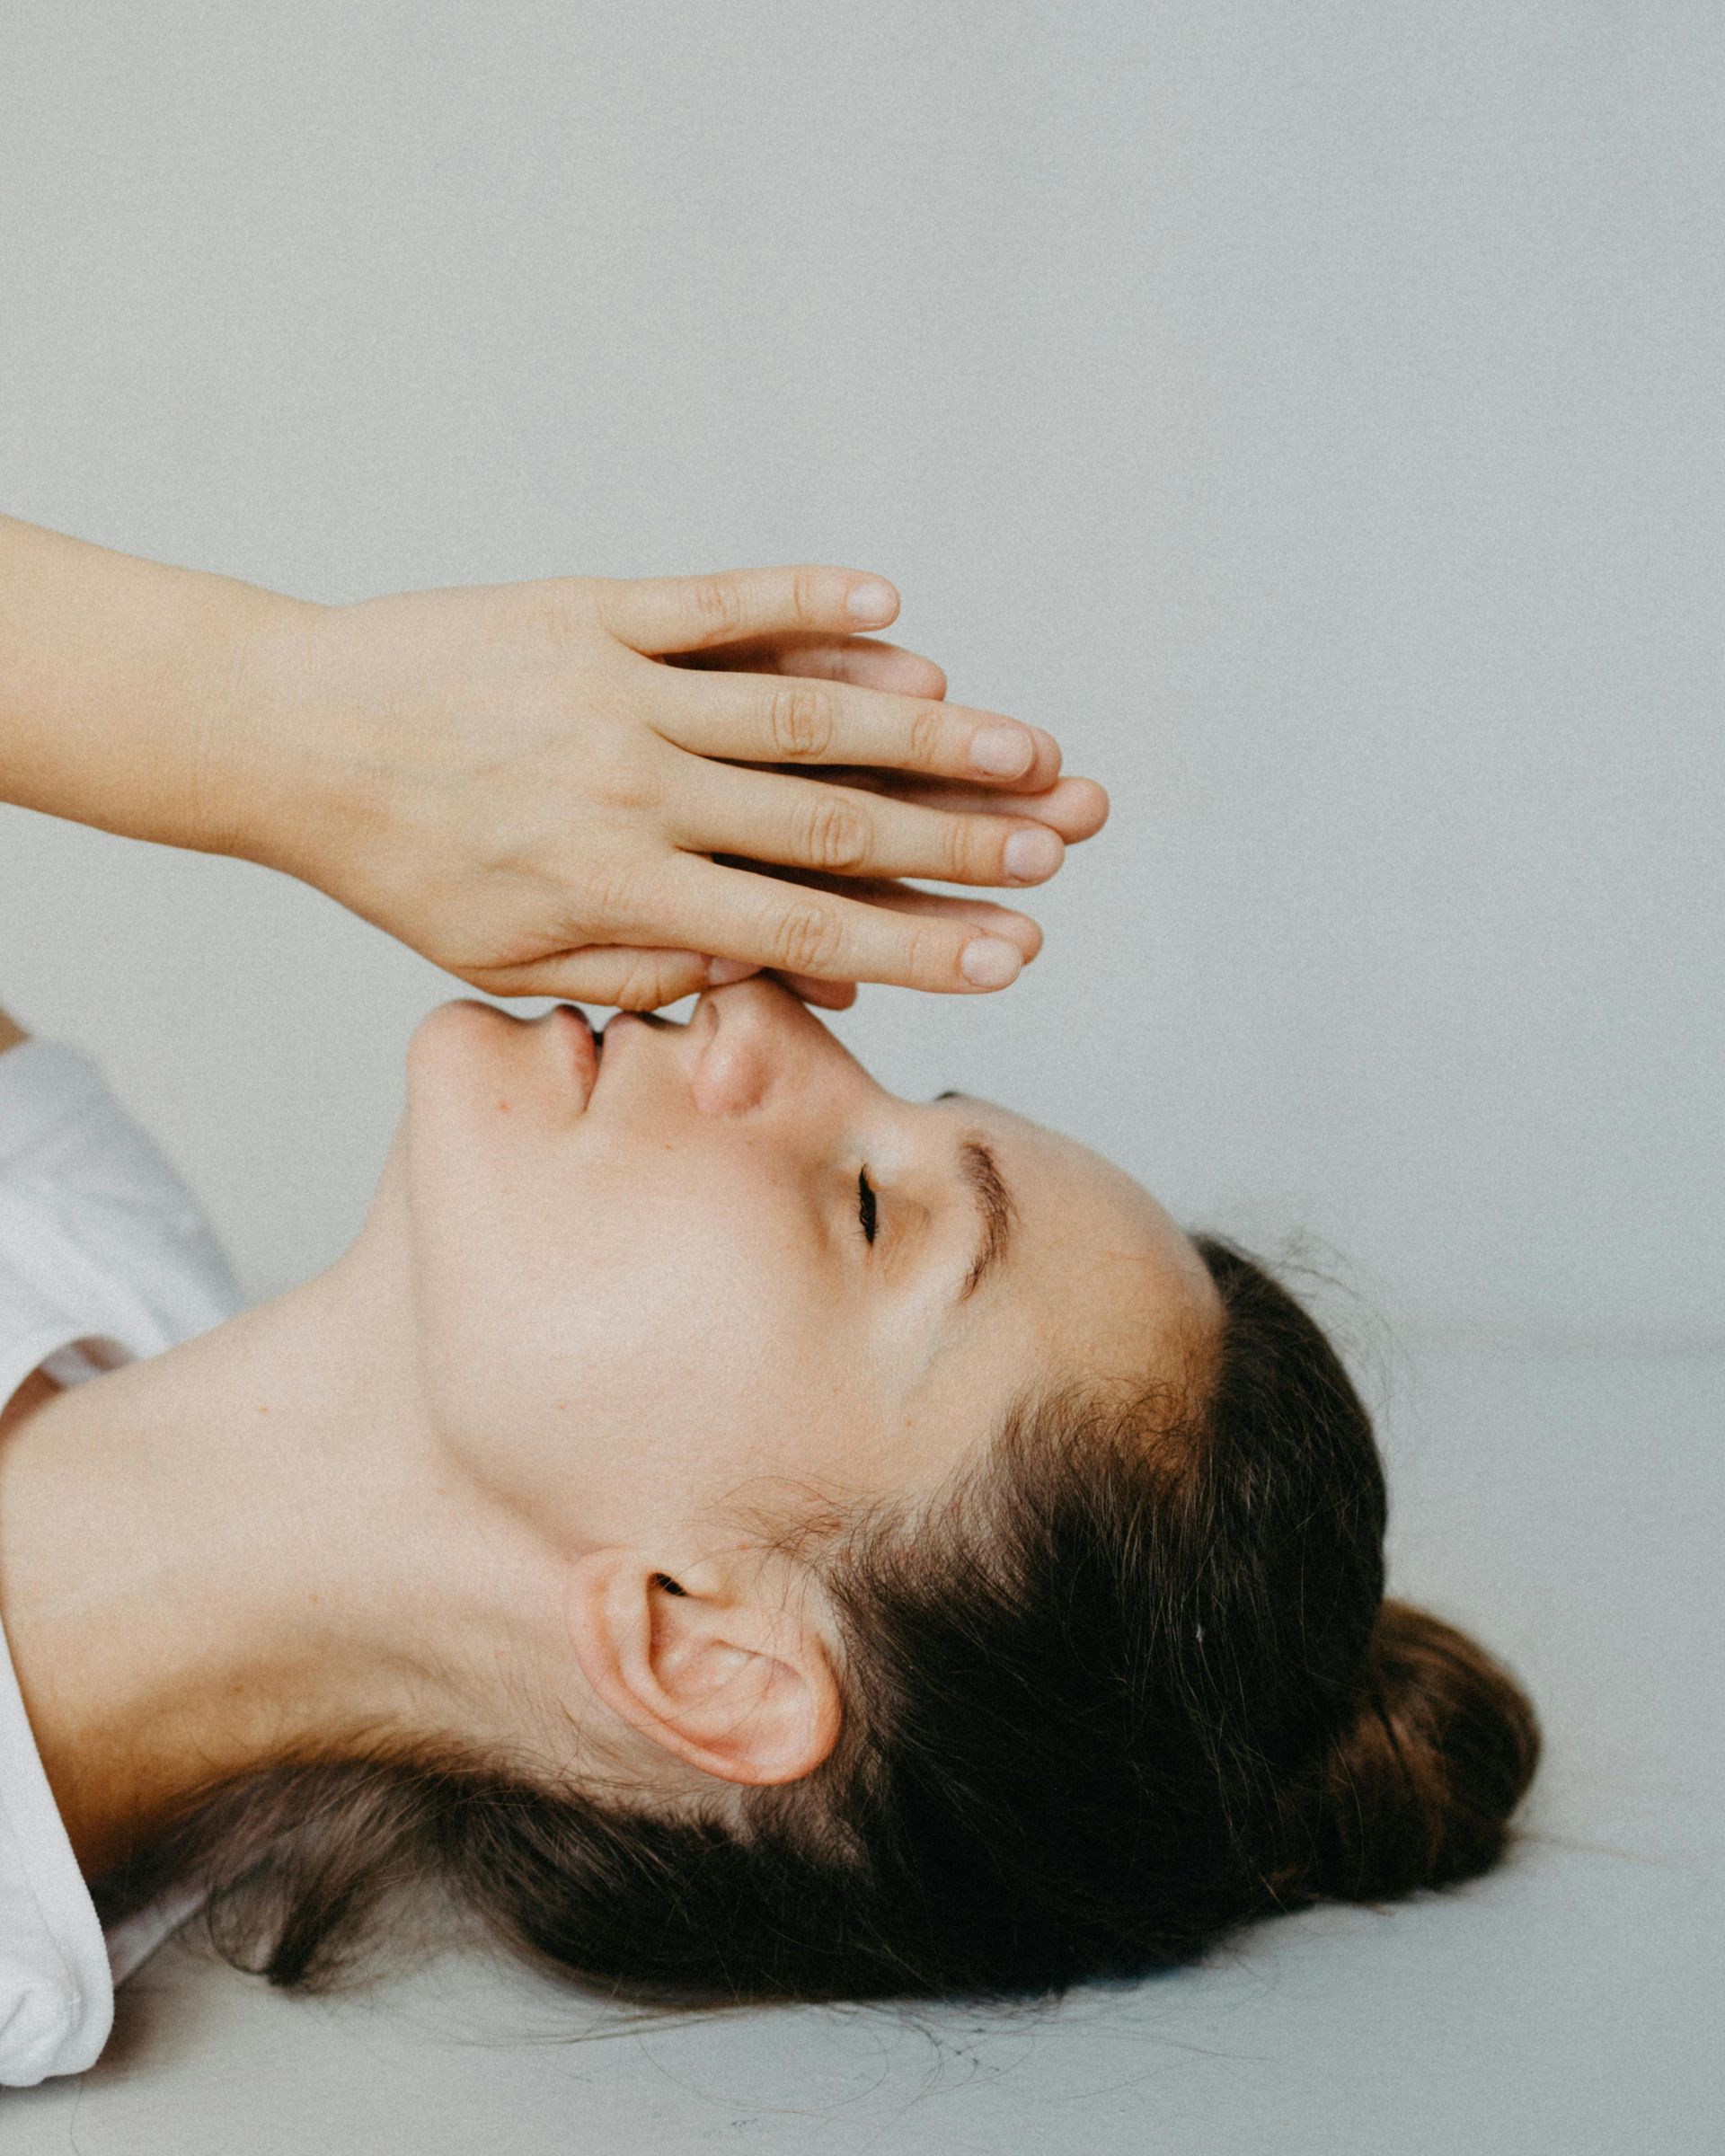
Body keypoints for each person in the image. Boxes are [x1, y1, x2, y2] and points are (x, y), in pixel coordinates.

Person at [0, 529, 1540, 2087]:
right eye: (899, 1097)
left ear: (702, 1647)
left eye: (874, 1212)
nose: (757, 1005)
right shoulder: (75, 1228)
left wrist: (281, 725)